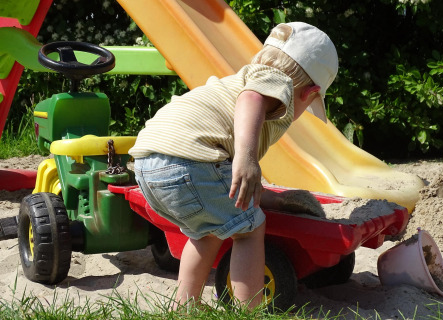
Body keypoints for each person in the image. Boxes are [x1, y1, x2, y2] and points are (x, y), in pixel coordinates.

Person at [128, 21, 338, 309]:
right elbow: (250, 101)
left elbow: (223, 179)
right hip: (190, 161)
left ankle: (185, 306)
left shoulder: (244, 78)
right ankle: (247, 309)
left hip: (147, 163)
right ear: (309, 92)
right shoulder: (278, 83)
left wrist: (267, 196)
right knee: (250, 229)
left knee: (206, 230)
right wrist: (247, 157)